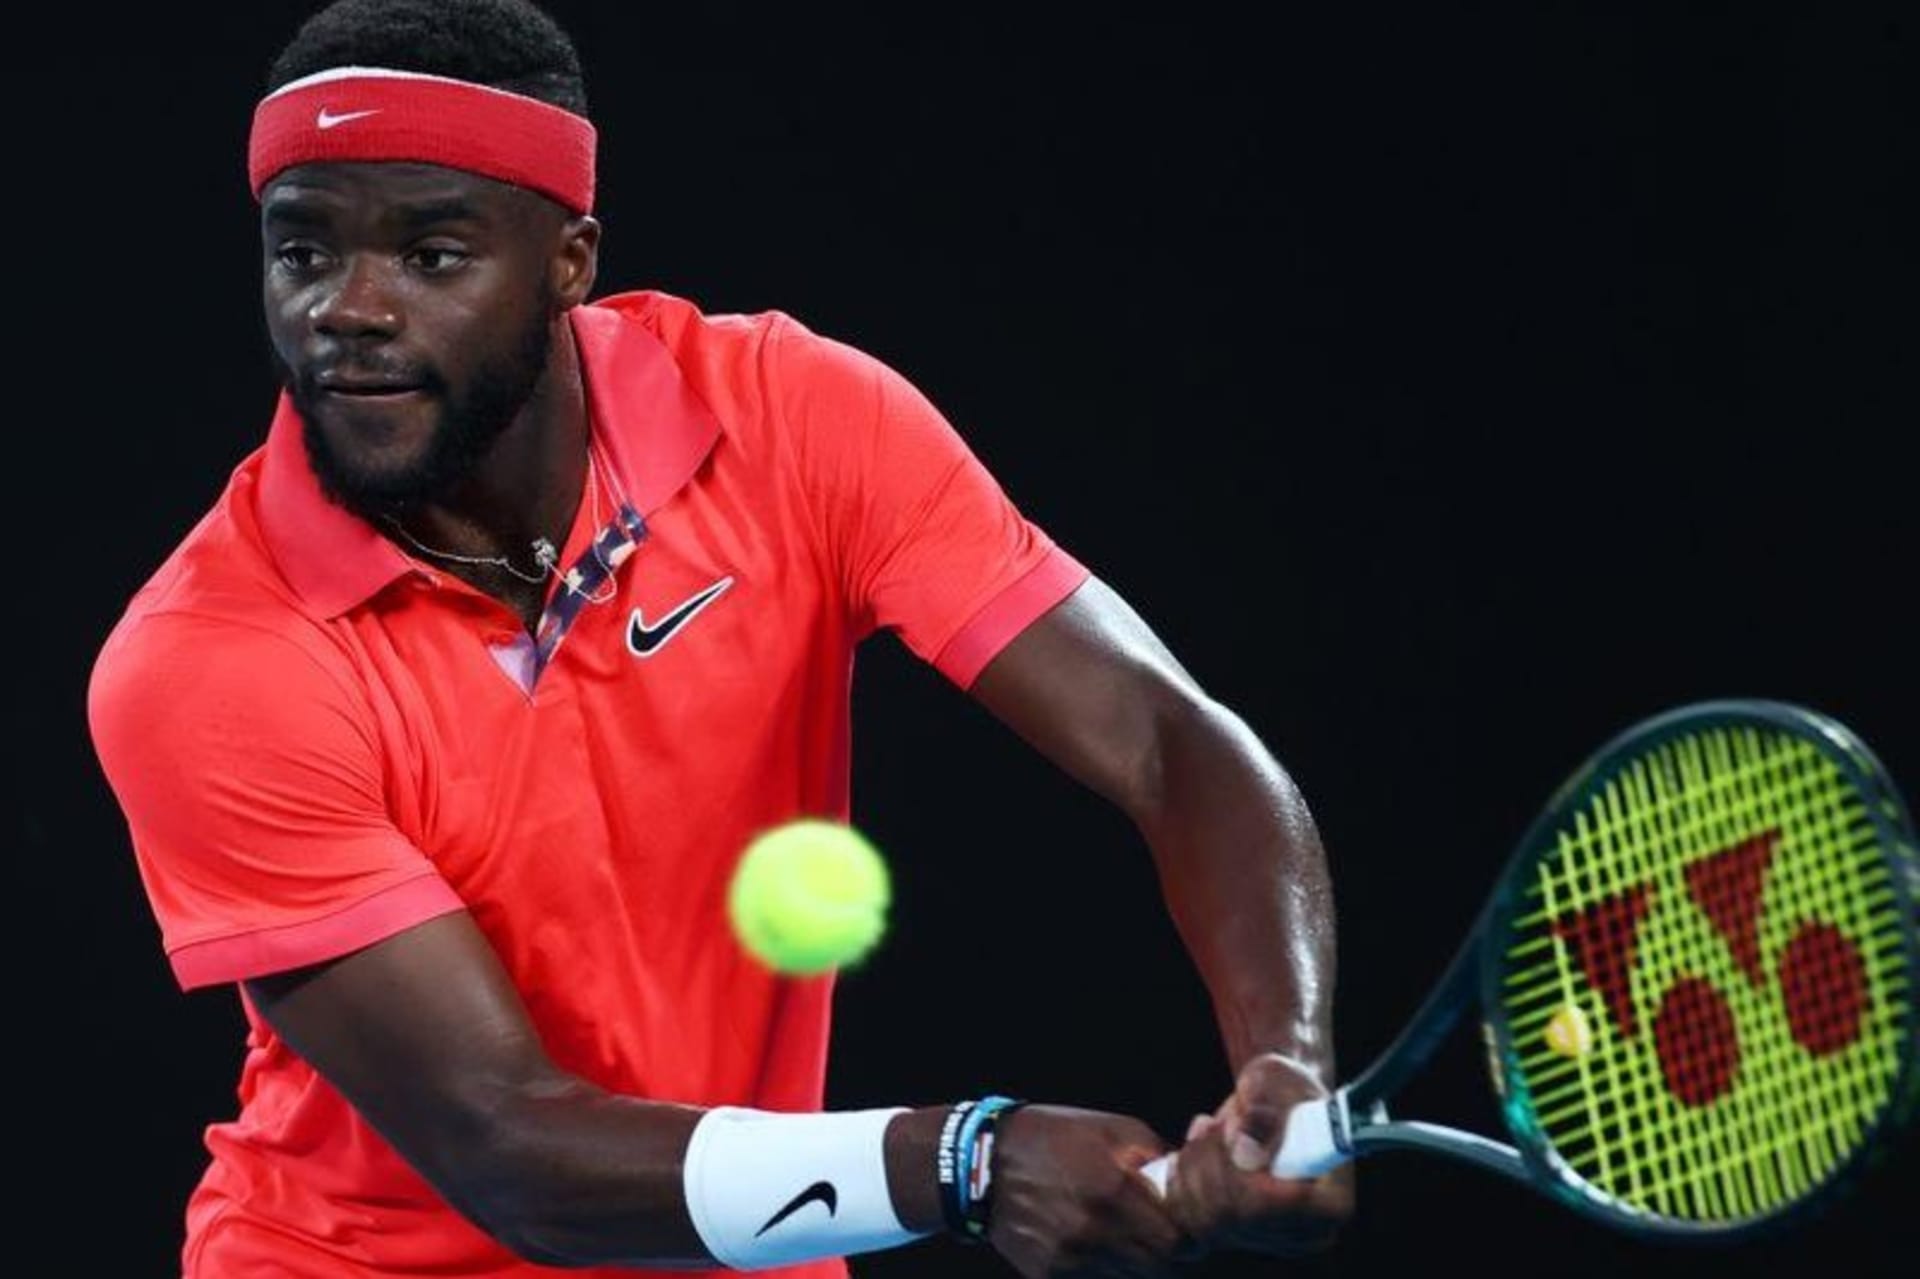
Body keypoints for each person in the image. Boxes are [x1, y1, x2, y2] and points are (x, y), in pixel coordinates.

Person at [87, 1, 1351, 1274]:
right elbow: (508, 1144)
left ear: (569, 261)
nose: (345, 310)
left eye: (431, 255)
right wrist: (963, 1159)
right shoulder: (209, 661)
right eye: (301, 253)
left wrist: (1282, 1060)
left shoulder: (793, 421)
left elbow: (1167, 741)